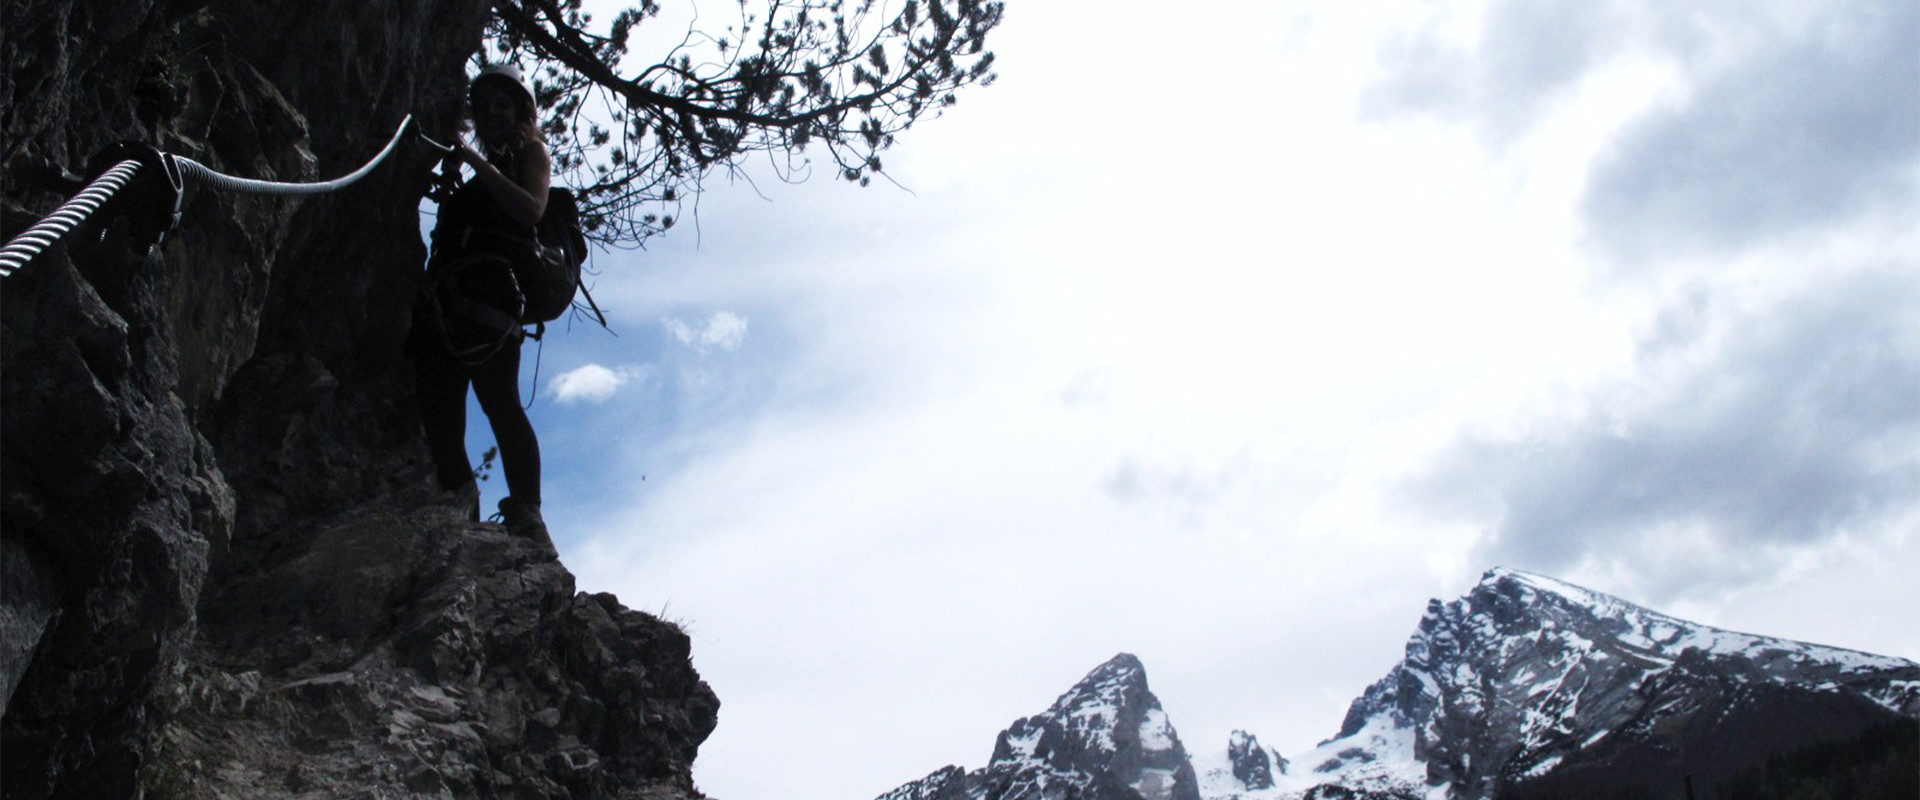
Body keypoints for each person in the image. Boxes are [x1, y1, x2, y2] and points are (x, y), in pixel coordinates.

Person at [408, 64, 552, 538]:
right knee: (440, 412)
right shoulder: (475, 179)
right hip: (446, 300)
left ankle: (528, 514)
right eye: (484, 107)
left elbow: (531, 211)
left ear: (520, 112)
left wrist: (476, 162)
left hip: (491, 302)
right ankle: (459, 514)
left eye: (502, 106)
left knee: (500, 405)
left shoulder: (530, 154)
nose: (492, 114)